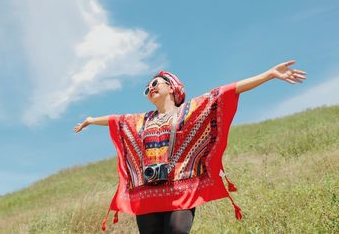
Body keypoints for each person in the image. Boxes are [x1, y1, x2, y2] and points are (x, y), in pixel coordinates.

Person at [74, 60, 307, 233]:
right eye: (147, 89)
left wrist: (268, 75)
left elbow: (226, 91)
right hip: (148, 194)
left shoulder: (191, 110)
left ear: (172, 87)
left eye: (155, 83)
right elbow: (117, 120)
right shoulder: (141, 120)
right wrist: (92, 120)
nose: (151, 89)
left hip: (181, 191)